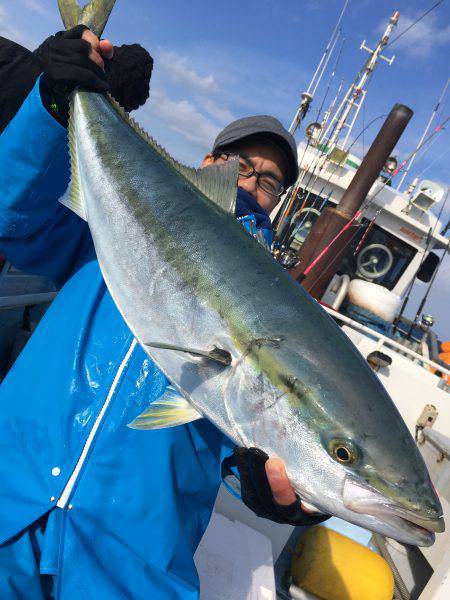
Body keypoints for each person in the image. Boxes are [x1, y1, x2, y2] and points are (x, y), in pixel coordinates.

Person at [0, 25, 327, 599]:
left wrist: (262, 481)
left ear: (281, 202)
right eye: (237, 163)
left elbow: (250, 426)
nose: (250, 180)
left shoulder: (279, 307)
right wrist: (49, 106)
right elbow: (14, 217)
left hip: (128, 562)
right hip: (10, 499)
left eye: (269, 179)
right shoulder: (111, 228)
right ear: (208, 160)